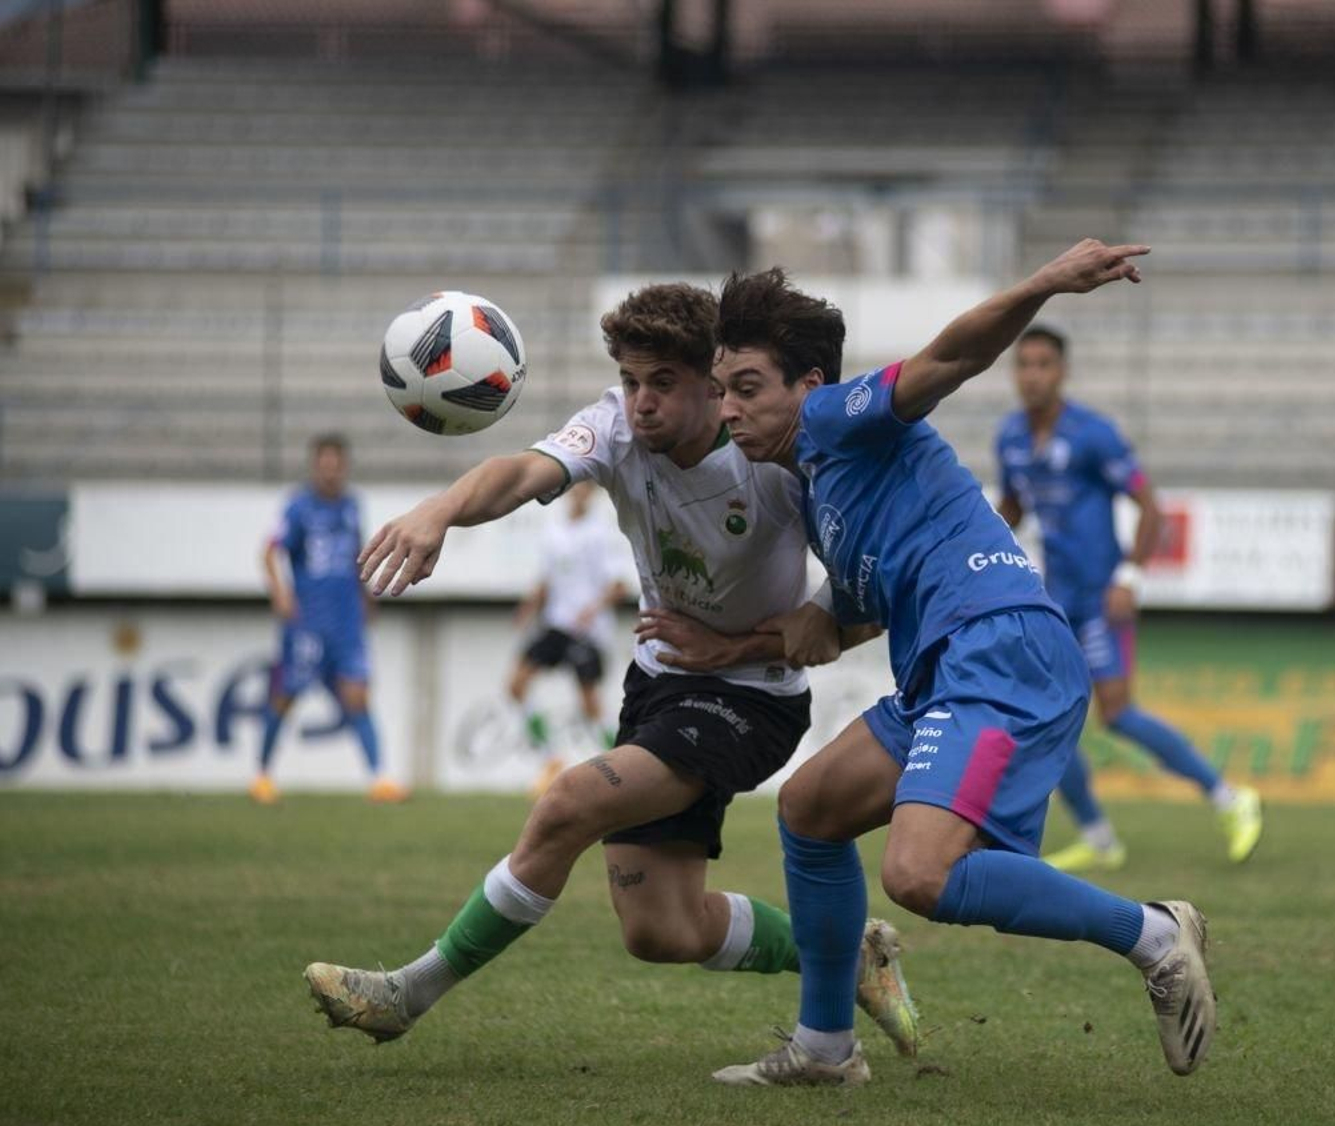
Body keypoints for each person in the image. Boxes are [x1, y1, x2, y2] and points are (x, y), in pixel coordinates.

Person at [302, 284, 917, 1058]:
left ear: (714, 384)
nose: (641, 403)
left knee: (570, 800)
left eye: (663, 382)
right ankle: (846, 955)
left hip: (752, 699)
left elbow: (873, 598)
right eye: (631, 381)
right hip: (659, 682)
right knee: (663, 928)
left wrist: (745, 644)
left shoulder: (777, 463)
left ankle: (404, 994)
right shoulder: (616, 429)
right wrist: (441, 511)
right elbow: (521, 472)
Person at [709, 241, 1215, 1088]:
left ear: (807, 384)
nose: (729, 409)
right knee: (808, 810)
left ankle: (1156, 933)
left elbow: (950, 357)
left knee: (917, 872)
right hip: (949, 669)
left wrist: (1046, 281)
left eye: (747, 388)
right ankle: (827, 1048)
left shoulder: (836, 414)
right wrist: (763, 636)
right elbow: (858, 612)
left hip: (1001, 651)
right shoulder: (825, 490)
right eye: (723, 390)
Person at [995, 327, 1263, 870]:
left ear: (1062, 371)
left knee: (1116, 714)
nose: (1032, 375)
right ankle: (1098, 838)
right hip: (1055, 599)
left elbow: (1151, 506)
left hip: (1099, 596)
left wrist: (1130, 579)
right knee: (1043, 718)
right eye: (1024, 364)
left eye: (1043, 364)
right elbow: (1014, 509)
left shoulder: (1093, 434)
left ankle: (1230, 799)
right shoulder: (1011, 438)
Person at [254, 434, 404, 805]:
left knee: (358, 695)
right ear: (315, 465)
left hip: (347, 620)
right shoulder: (298, 507)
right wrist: (281, 593)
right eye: (325, 463)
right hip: (307, 621)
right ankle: (261, 776)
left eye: (337, 463)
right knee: (286, 695)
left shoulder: (353, 506)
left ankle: (380, 779)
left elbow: (357, 555)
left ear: (344, 466)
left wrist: (367, 596)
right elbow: (270, 552)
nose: (331, 470)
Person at [505, 479, 632, 791]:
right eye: (574, 487)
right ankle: (551, 760)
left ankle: (620, 769)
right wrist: (529, 607)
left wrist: (594, 608)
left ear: (593, 493)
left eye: (585, 488)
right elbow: (547, 579)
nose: (578, 493)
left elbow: (619, 584)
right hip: (556, 625)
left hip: (588, 631)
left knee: (589, 703)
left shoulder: (601, 533)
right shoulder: (554, 531)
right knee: (516, 685)